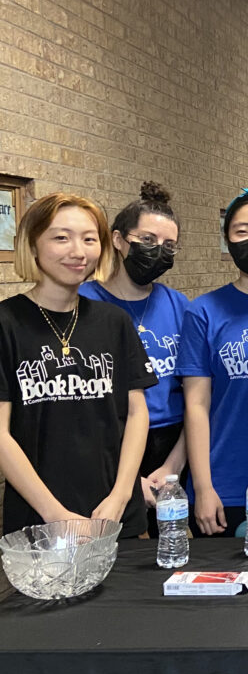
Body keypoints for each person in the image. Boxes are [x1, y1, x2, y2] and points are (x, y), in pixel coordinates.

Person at [0, 193, 154, 535]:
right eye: (61, 237)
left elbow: (136, 413)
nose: (78, 251)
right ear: (33, 244)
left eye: (89, 239)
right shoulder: (6, 324)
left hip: (116, 518)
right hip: (39, 524)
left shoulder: (114, 322)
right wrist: (56, 515)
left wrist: (120, 497)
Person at [178, 188, 248, 536]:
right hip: (224, 482)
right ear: (227, 240)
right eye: (241, 231)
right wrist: (203, 486)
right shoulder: (204, 311)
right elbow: (196, 405)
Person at [80, 182, 188, 535]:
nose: (158, 251)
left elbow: (199, 395)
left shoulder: (181, 307)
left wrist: (174, 466)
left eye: (169, 245)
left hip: (172, 443)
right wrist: (126, 479)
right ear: (117, 239)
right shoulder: (85, 303)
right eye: (147, 240)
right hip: (111, 444)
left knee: (172, 548)